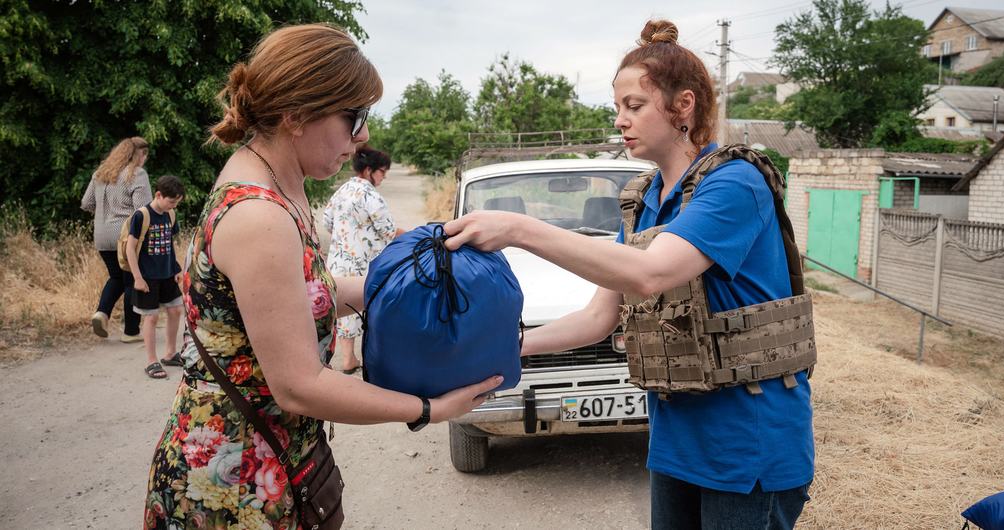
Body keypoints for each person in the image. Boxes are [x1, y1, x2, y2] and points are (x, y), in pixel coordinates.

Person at [443, 20, 813, 530]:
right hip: (677, 438)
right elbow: (598, 318)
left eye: (634, 106)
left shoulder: (734, 183)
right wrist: (506, 347)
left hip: (748, 442)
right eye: (618, 108)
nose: (621, 121)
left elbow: (650, 274)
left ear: (684, 105)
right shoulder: (646, 202)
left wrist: (519, 228)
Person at [144, 24, 501, 529]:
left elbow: (313, 296)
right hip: (236, 486)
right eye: (353, 118)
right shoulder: (260, 216)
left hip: (264, 464)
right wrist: (429, 408)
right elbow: (299, 386)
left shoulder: (274, 185)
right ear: (295, 115)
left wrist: (430, 276)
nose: (364, 138)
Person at [321, 145, 404, 374]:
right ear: (369, 170)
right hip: (364, 262)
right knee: (371, 305)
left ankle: (348, 358)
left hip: (339, 259)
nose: (383, 177)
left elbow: (327, 222)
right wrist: (412, 235)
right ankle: (373, 358)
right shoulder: (370, 195)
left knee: (345, 309)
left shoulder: (342, 190)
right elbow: (387, 229)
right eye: (382, 172)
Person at [81, 136, 151, 342]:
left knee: (116, 277)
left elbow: (86, 203)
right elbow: (142, 209)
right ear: (140, 155)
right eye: (145, 155)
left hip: (102, 235)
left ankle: (101, 313)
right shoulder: (137, 174)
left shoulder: (100, 174)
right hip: (125, 236)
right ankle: (131, 332)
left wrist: (106, 211)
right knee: (131, 281)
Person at [126, 175, 185, 379]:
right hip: (147, 276)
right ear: (158, 195)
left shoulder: (171, 215)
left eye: (177, 202)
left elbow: (170, 244)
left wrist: (177, 267)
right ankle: (152, 361)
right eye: (171, 201)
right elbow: (130, 248)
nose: (173, 205)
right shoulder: (142, 215)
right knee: (151, 316)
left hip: (168, 274)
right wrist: (137, 277)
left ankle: (170, 353)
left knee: (176, 310)